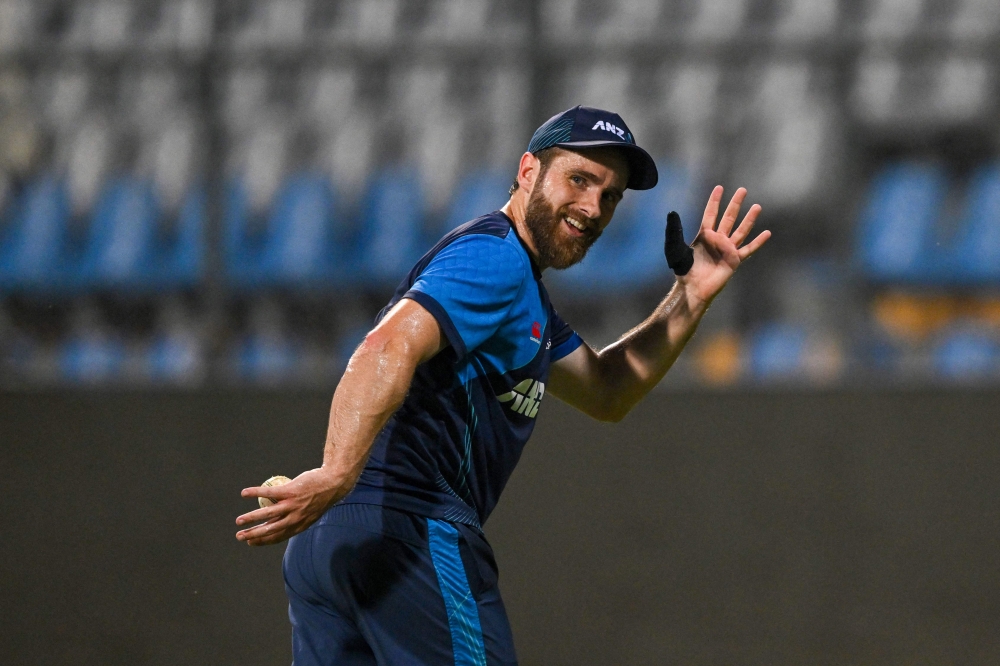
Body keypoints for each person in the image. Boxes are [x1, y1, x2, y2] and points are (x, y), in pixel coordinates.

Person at [235, 105, 770, 665]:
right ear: (527, 171)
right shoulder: (497, 258)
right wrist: (337, 471)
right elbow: (385, 347)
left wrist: (691, 297)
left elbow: (607, 390)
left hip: (332, 543)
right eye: (579, 179)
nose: (592, 208)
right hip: (409, 533)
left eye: (610, 196)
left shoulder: (521, 291)